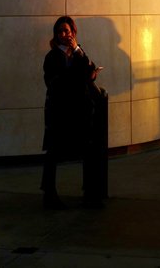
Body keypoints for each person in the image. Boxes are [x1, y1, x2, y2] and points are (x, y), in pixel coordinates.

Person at [41, 16, 101, 209]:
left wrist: (77, 51)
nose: (63, 35)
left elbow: (89, 70)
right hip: (59, 110)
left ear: (73, 33)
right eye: (60, 32)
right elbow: (52, 81)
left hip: (79, 109)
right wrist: (76, 77)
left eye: (67, 31)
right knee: (53, 152)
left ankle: (90, 193)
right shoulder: (51, 56)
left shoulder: (78, 52)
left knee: (87, 149)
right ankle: (49, 193)